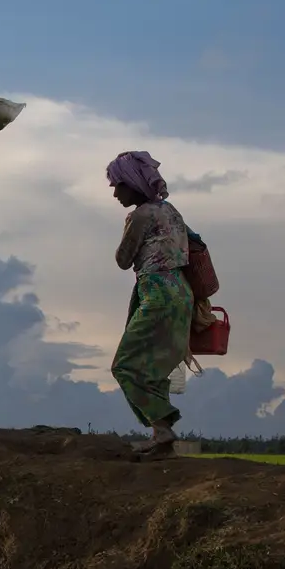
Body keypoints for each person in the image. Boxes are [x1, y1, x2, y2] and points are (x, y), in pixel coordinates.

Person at [106, 151, 194, 458]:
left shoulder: (140, 215)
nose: (115, 192)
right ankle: (161, 437)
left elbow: (122, 260)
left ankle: (163, 427)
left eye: (118, 184)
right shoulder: (172, 211)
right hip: (182, 293)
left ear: (132, 183)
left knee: (125, 365)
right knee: (155, 369)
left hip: (157, 292)